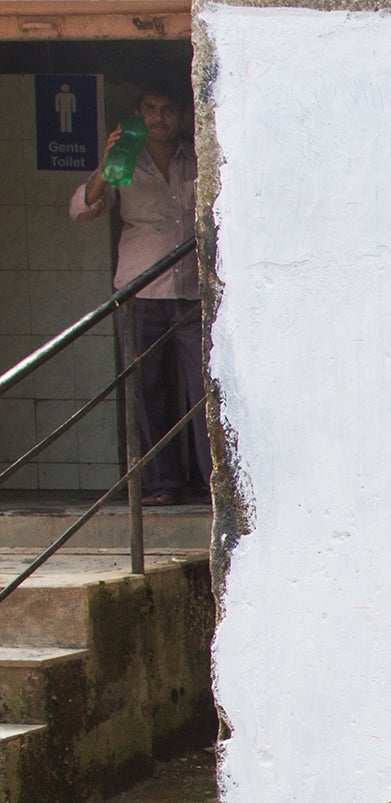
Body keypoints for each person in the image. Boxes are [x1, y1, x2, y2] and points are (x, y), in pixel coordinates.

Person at [69, 82, 207, 506]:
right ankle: (163, 485)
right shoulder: (125, 161)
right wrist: (106, 162)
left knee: (205, 389)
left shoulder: (199, 156)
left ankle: (211, 484)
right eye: (150, 108)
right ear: (138, 114)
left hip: (194, 291)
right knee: (147, 392)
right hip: (140, 290)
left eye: (167, 108)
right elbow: (82, 210)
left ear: (182, 115)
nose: (159, 117)